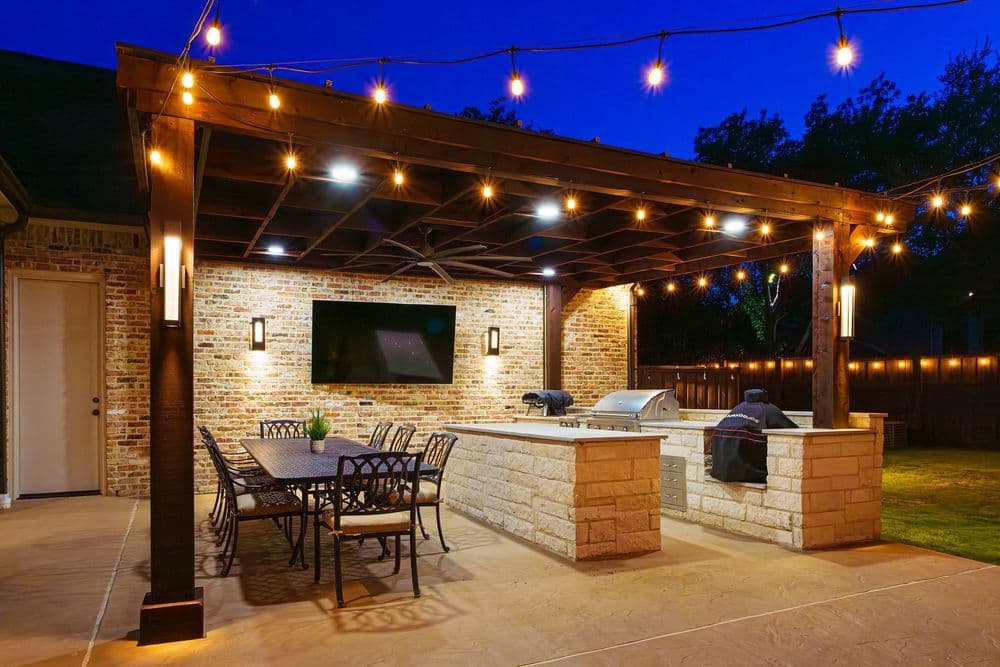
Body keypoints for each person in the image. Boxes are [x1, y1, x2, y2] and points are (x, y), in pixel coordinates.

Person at [710, 389, 797, 483]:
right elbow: (792, 429)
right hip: (749, 474)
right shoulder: (769, 410)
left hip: (719, 472)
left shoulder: (736, 409)